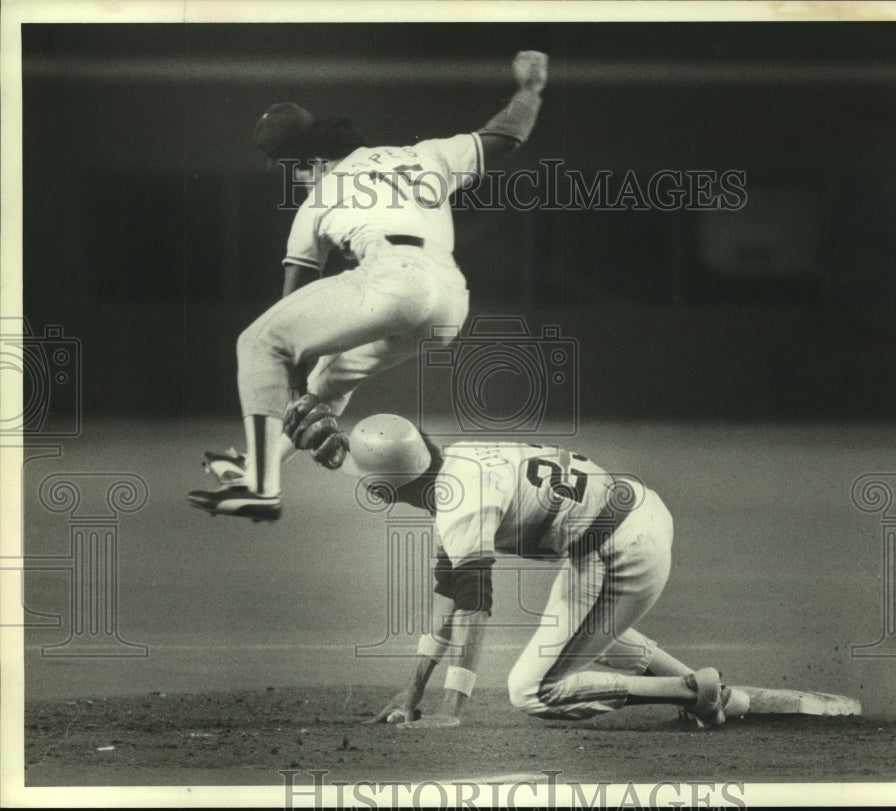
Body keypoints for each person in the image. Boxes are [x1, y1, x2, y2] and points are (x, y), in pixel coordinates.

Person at [188, 51, 549, 521]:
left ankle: (260, 487)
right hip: (449, 301)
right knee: (329, 382)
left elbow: (293, 310)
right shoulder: (421, 154)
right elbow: (507, 134)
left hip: (393, 279)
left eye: (291, 167)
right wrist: (531, 88)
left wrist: (295, 392)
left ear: (311, 160)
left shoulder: (317, 197)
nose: (293, 178)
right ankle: (258, 467)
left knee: (257, 342)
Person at [321, 412, 750, 728]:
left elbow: (473, 609)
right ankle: (712, 692)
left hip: (623, 550)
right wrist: (414, 688)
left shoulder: (458, 505)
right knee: (570, 636)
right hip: (627, 520)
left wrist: (451, 706)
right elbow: (449, 594)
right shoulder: (455, 467)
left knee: (532, 690)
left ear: (381, 489)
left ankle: (689, 693)